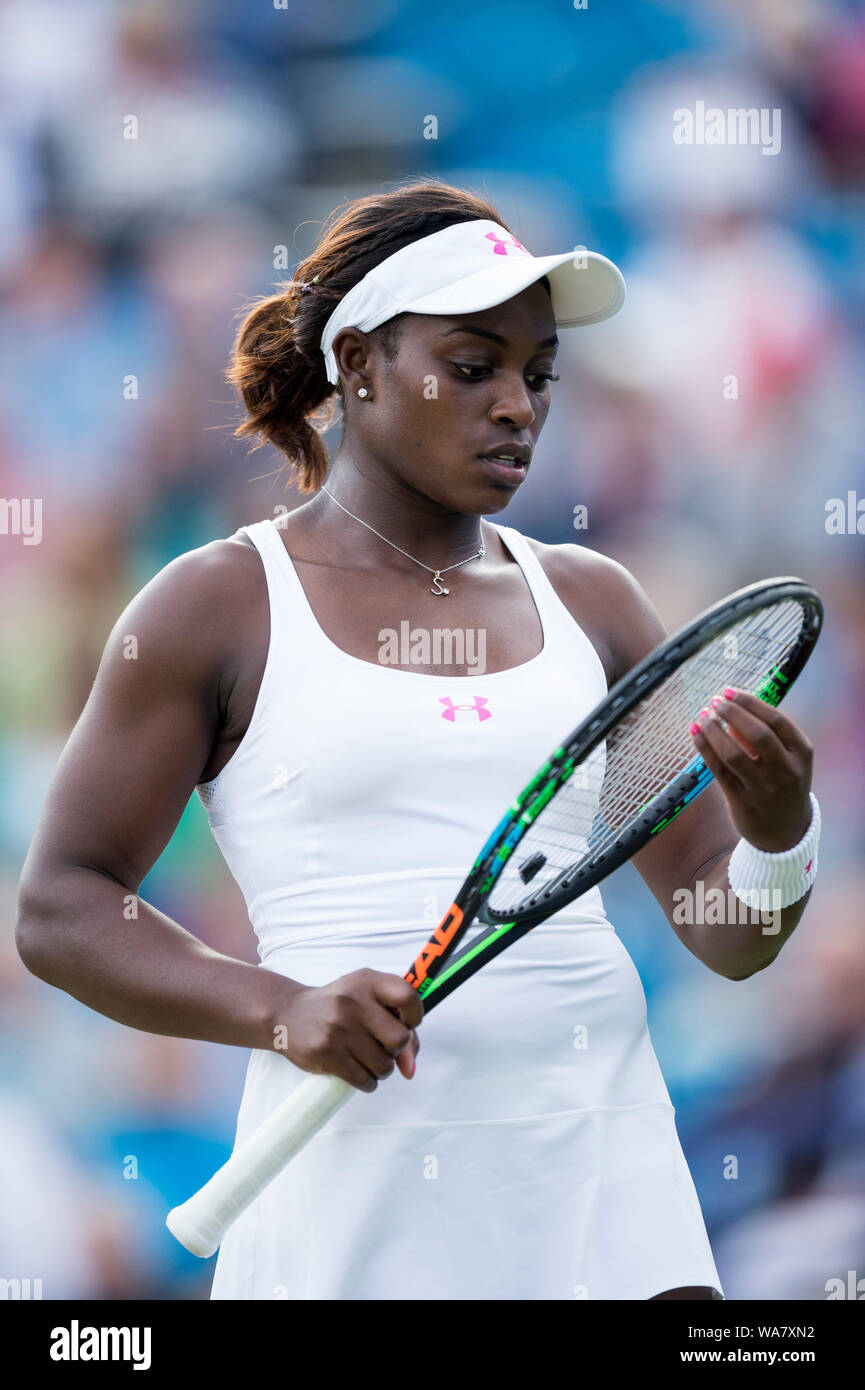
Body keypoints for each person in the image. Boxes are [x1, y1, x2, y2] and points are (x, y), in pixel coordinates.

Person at [16, 178, 820, 1300]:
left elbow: (726, 931)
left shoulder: (596, 602)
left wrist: (780, 834)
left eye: (538, 375)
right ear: (358, 365)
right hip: (358, 1184)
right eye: (473, 363)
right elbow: (60, 906)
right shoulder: (213, 604)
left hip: (605, 1166)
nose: (518, 406)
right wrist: (280, 1007)